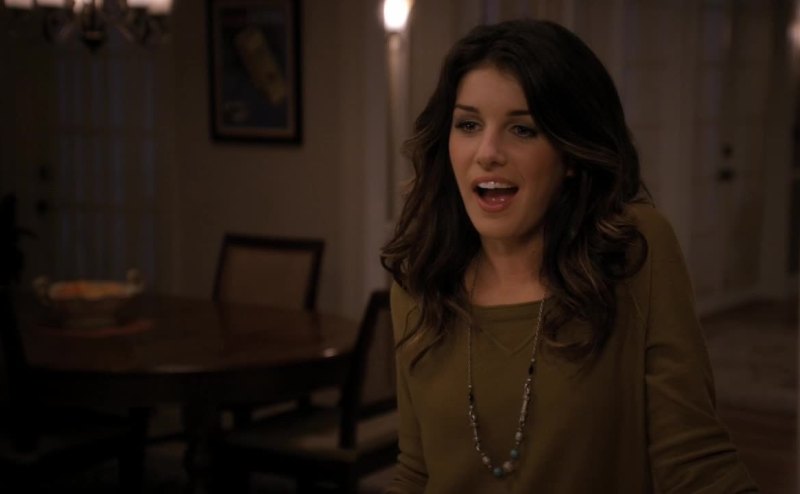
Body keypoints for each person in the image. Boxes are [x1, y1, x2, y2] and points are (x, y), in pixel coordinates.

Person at [380, 19, 758, 493]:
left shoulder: (633, 252)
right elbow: (416, 471)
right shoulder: (420, 278)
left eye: (522, 129)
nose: (487, 152)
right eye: (469, 125)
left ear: (572, 155)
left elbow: (695, 460)